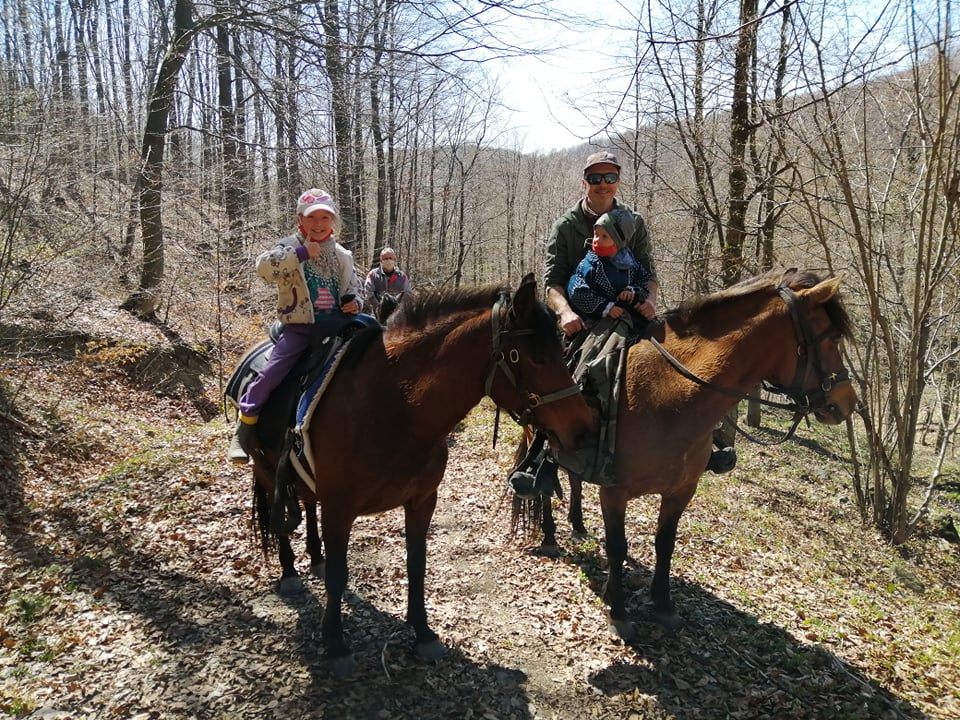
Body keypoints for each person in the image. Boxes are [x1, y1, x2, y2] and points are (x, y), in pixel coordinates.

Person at [535, 151, 734, 487]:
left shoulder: (632, 221)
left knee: (690, 356)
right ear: (584, 182)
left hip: (633, 308)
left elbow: (647, 271)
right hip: (587, 315)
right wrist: (566, 312)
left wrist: (650, 301)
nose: (602, 184)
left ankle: (706, 443)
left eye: (609, 177)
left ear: (618, 181)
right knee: (569, 375)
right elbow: (553, 282)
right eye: (595, 178)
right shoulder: (566, 226)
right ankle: (546, 455)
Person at [227, 188, 363, 463]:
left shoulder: (342, 255)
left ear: (333, 220)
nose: (319, 223)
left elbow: (353, 287)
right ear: (300, 219)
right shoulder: (288, 246)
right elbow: (263, 269)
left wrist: (355, 302)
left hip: (340, 324)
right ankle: (245, 426)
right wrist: (300, 253)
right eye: (312, 217)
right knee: (272, 371)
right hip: (302, 325)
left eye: (325, 217)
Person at [566, 208, 655, 325]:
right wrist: (606, 307)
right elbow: (576, 291)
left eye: (604, 236)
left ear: (618, 242)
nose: (597, 240)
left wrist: (632, 291)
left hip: (630, 315)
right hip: (597, 320)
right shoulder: (590, 264)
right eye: (596, 234)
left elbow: (644, 280)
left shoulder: (629, 261)